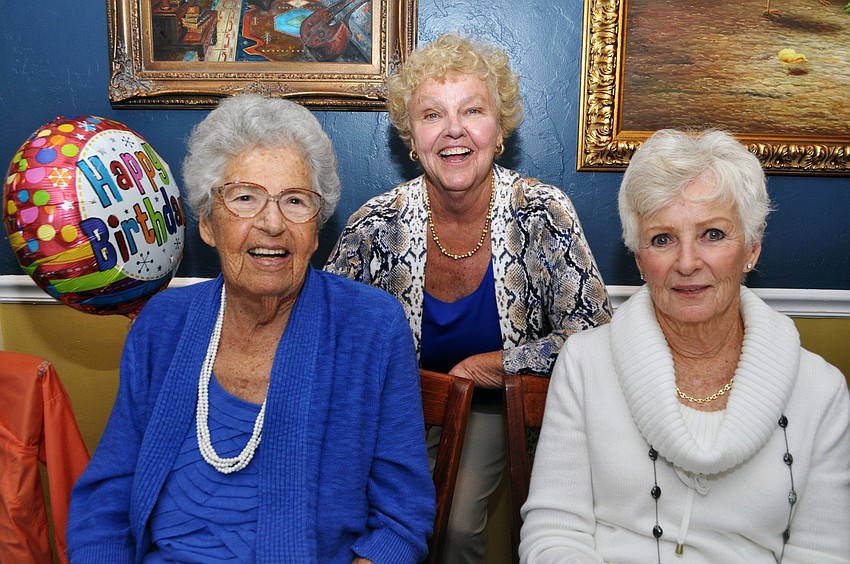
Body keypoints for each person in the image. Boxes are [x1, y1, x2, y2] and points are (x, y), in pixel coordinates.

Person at [67, 94, 435, 564]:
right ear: (207, 223)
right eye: (245, 197)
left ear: (316, 230)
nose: (272, 223)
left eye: (295, 201)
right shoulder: (162, 325)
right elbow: (107, 498)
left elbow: (401, 521)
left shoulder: (370, 328)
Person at [325, 33, 612, 562]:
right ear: (411, 136)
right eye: (432, 114)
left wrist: (495, 364)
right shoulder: (374, 223)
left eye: (472, 110)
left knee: (449, 528)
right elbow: (327, 335)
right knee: (343, 517)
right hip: (393, 411)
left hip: (493, 406)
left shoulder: (543, 213)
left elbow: (595, 334)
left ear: (498, 130)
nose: (453, 130)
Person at [520, 128, 850, 563]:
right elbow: (554, 534)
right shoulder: (585, 363)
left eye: (713, 234)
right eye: (663, 239)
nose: (688, 262)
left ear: (752, 249)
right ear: (640, 260)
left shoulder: (821, 390)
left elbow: (822, 552)